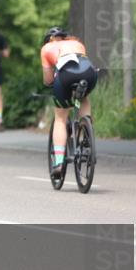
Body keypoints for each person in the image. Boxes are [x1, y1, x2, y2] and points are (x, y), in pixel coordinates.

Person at [40, 27, 98, 175]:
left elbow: (47, 80)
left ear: (49, 39)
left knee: (60, 118)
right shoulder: (76, 43)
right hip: (90, 72)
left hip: (65, 75)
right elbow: (78, 65)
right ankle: (86, 129)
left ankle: (58, 163)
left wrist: (53, 81)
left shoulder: (47, 48)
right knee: (83, 97)